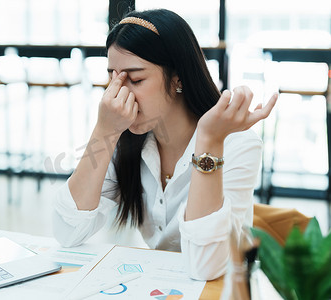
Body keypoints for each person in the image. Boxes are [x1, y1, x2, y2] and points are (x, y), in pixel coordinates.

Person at [52, 8, 277, 280]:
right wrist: (104, 131)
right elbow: (68, 231)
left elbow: (205, 267)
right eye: (113, 77)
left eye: (135, 79)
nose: (120, 93)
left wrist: (208, 141)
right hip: (159, 283)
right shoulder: (124, 136)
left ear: (178, 77)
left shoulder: (237, 144)